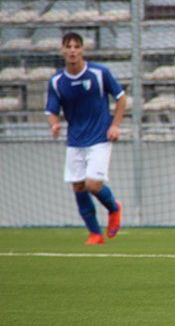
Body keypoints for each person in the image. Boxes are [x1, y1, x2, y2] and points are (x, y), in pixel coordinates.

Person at [45, 32, 125, 246]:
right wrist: (54, 124)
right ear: (62, 50)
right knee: (78, 186)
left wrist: (115, 125)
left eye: (76, 46)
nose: (72, 50)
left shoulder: (99, 73)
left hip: (100, 137)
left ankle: (114, 208)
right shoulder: (57, 81)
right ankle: (95, 234)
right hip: (75, 141)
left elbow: (121, 97)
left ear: (82, 50)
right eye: (68, 46)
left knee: (93, 184)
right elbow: (51, 109)